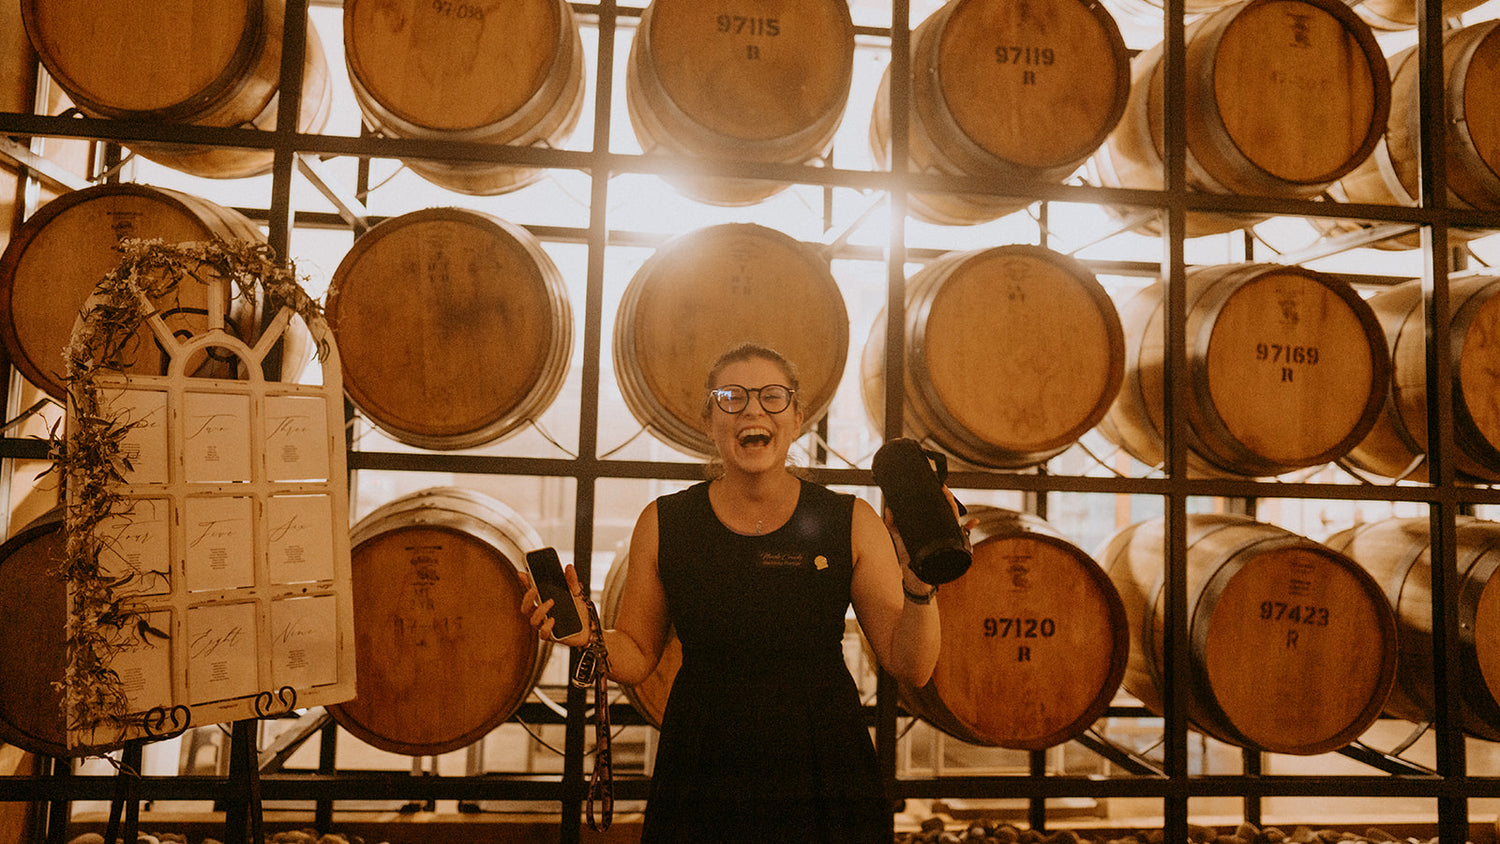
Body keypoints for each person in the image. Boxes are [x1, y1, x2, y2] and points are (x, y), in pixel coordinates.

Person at [521, 342, 958, 842]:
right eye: (731, 397)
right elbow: (639, 655)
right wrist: (587, 632)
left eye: (773, 396)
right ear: (709, 421)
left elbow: (912, 664)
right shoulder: (666, 523)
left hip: (822, 756)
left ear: (796, 419)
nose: (752, 409)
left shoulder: (850, 520)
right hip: (704, 756)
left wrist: (920, 582)